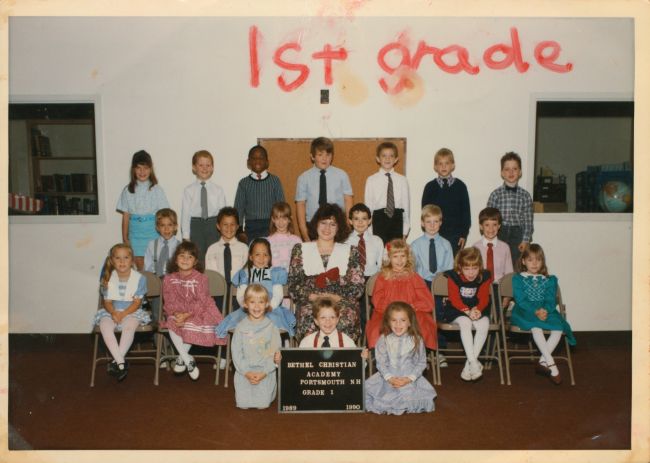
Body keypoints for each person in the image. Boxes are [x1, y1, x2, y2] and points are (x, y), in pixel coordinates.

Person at [288, 203, 365, 343]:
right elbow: (293, 285)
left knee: (345, 321)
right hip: (310, 301)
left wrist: (335, 297)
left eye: (333, 224)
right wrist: (312, 296)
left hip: (341, 302)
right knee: (309, 323)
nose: (327, 228)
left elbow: (357, 287)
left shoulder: (351, 251)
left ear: (339, 227)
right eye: (323, 223)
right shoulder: (300, 249)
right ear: (316, 224)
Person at [160, 241, 227, 381]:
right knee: (172, 322)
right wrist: (177, 314)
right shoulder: (169, 279)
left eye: (190, 257)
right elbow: (169, 300)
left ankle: (181, 358)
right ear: (175, 258)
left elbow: (202, 301)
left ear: (195, 261)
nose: (185, 259)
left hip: (199, 312)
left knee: (191, 323)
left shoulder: (201, 279)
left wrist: (186, 315)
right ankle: (188, 360)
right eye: (182, 256)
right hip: (177, 313)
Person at [510, 244, 576, 385]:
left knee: (558, 328)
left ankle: (542, 361)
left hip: (546, 310)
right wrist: (535, 311)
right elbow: (521, 300)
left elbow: (550, 299)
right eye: (530, 260)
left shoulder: (549, 280)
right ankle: (551, 365)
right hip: (525, 310)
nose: (534, 263)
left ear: (542, 262)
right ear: (523, 262)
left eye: (538, 260)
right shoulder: (518, 279)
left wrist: (545, 309)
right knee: (536, 327)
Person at [365, 301, 436, 415]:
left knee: (407, 394)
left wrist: (409, 379)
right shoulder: (384, 339)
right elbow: (381, 363)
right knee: (381, 394)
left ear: (409, 322)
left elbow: (421, 363)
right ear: (388, 322)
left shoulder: (416, 339)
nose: (398, 324)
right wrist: (390, 378)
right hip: (388, 376)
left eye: (403, 320)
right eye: (394, 320)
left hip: (409, 377)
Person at [216, 238, 296, 338]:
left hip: (269, 309)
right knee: (244, 325)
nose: (261, 258)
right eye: (257, 254)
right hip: (249, 309)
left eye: (265, 255)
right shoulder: (245, 273)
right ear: (250, 257)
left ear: (270, 257)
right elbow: (241, 295)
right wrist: (246, 306)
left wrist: (270, 306)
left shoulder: (274, 273)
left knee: (270, 325)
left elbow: (278, 294)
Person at [92, 243, 150, 381]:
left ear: (132, 260)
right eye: (118, 258)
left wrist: (123, 314)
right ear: (112, 261)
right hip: (111, 311)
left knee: (129, 327)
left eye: (126, 257)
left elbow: (137, 303)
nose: (122, 261)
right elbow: (107, 302)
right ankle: (121, 362)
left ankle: (116, 362)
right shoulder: (108, 278)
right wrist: (113, 313)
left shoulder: (139, 279)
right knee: (105, 326)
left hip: (131, 311)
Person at [366, 239, 437, 350]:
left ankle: (416, 356)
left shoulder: (414, 277)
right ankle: (384, 358)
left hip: (413, 313)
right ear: (389, 258)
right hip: (387, 313)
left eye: (402, 256)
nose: (399, 260)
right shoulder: (382, 277)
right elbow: (377, 300)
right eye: (395, 256)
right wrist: (393, 311)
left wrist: (412, 306)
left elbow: (427, 302)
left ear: (407, 257)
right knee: (377, 329)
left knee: (423, 326)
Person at [442, 247, 492, 381]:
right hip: (457, 309)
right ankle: (474, 363)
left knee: (484, 324)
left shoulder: (484, 276)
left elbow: (484, 297)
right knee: (466, 323)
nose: (471, 273)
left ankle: (469, 365)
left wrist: (477, 309)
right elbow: (454, 298)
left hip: (476, 308)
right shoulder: (453, 276)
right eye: (467, 269)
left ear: (479, 267)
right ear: (460, 267)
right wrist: (467, 312)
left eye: (474, 268)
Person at [231, 284, 282, 409]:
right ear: (245, 304)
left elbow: (275, 352)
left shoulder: (272, 327)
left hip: (264, 371)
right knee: (242, 404)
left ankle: (268, 391)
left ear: (267, 304)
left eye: (261, 302)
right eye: (252, 302)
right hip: (244, 371)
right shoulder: (240, 327)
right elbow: (236, 353)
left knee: (262, 405)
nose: (257, 306)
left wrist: (264, 372)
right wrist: (246, 372)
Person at [116, 150, 169, 270]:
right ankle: (143, 288)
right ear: (133, 169)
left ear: (150, 169)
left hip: (153, 232)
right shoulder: (128, 190)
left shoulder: (156, 189)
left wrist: (164, 234)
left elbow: (165, 215)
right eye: (138, 168)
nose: (142, 172)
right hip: (135, 235)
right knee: (140, 267)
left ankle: (154, 288)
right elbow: (125, 216)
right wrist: (125, 238)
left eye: (145, 168)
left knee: (154, 267)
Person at [295, 137, 353, 241]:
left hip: (337, 224)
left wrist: (348, 226)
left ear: (332, 156)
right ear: (312, 156)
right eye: (320, 155)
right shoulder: (303, 178)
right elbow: (300, 205)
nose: (324, 158)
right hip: (312, 225)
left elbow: (348, 200)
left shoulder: (342, 175)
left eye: (328, 155)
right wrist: (305, 233)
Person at [487, 151, 533, 268]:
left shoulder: (525, 196)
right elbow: (488, 218)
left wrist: (525, 240)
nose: (511, 172)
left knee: (516, 265)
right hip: (499, 232)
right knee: (499, 264)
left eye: (515, 169)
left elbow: (528, 221)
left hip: (518, 235)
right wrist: (490, 237)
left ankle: (514, 286)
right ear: (502, 173)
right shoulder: (495, 195)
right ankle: (498, 286)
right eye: (507, 169)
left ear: (520, 172)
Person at [421, 147, 471, 256]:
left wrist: (463, 234)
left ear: (453, 165)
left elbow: (466, 213)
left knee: (452, 266)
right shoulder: (430, 187)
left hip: (455, 236)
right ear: (435, 166)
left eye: (447, 163)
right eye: (440, 164)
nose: (443, 166)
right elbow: (425, 212)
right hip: (434, 233)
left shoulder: (460, 186)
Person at [181, 150, 227, 263]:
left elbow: (223, 214)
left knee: (215, 256)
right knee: (198, 256)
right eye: (201, 165)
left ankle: (215, 279)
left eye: (208, 165)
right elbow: (185, 215)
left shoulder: (218, 190)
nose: (204, 168)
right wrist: (186, 236)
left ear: (212, 168)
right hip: (196, 225)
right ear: (194, 167)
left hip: (213, 225)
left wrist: (223, 232)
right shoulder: (188, 190)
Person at [345, 203, 384, 334]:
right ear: (350, 221)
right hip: (353, 280)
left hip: (372, 279)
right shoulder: (345, 241)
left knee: (373, 313)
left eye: (364, 218)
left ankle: (371, 338)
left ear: (370, 220)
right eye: (356, 219)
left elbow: (381, 266)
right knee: (357, 311)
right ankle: (358, 338)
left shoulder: (377, 240)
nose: (360, 222)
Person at [234, 145, 285, 243]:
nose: (257, 160)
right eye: (254, 158)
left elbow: (281, 206)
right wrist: (239, 231)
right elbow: (238, 209)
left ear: (267, 162)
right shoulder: (243, 183)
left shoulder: (275, 181)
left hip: (271, 227)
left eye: (261, 157)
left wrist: (281, 226)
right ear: (248, 162)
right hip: (250, 228)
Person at [364, 141, 410, 243]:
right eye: (384, 156)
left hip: (397, 219)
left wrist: (405, 231)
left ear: (396, 159)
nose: (387, 159)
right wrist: (369, 231)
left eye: (391, 156)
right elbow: (369, 208)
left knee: (395, 255)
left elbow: (406, 207)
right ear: (378, 159)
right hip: (379, 220)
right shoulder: (371, 180)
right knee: (380, 256)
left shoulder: (402, 180)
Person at [472, 207, 513, 309]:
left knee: (496, 316)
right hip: (480, 289)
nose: (491, 229)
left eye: (494, 225)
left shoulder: (505, 247)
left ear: (499, 226)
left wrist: (507, 296)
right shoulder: (475, 247)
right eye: (487, 225)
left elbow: (509, 274)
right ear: (481, 226)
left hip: (499, 290)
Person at [144, 208, 180, 277]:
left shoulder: (180, 246)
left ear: (175, 227)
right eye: (163, 225)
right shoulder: (151, 245)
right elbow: (147, 266)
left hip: (174, 281)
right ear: (157, 227)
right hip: (155, 279)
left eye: (170, 225)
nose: (166, 229)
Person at [266, 201, 302, 271]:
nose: (281, 222)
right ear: (273, 219)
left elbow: (300, 262)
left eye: (284, 218)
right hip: (274, 279)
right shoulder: (268, 241)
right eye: (277, 218)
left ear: (289, 219)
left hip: (292, 279)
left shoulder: (297, 240)